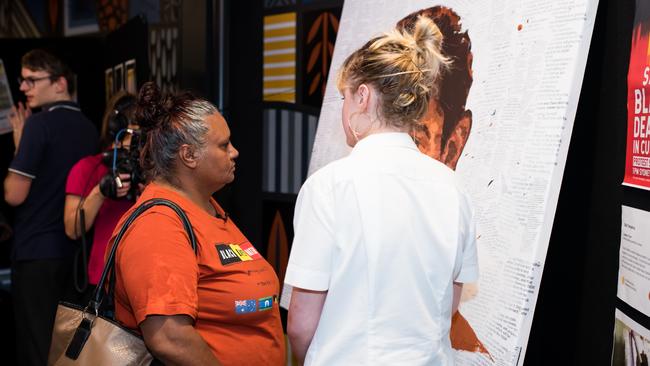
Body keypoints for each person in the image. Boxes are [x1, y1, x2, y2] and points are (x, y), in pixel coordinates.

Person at [284, 16, 478, 365]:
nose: (343, 110)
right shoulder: (454, 189)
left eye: (343, 97)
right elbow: (448, 303)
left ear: (362, 96)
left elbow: (300, 323)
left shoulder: (330, 186)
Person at [107, 82, 285, 365]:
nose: (235, 152)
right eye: (224, 145)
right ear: (189, 155)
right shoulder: (158, 226)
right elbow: (169, 338)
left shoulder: (206, 208)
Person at [3, 49, 98, 366]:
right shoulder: (88, 127)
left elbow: (14, 195)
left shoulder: (38, 125)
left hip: (35, 254)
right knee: (66, 349)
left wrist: (20, 147)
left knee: (36, 346)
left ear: (59, 83)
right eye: (22, 80)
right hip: (74, 255)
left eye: (32, 80)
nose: (24, 87)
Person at [63, 91, 139, 296]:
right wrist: (100, 191)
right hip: (105, 281)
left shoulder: (157, 170)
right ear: (116, 129)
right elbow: (72, 229)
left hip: (147, 276)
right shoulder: (88, 168)